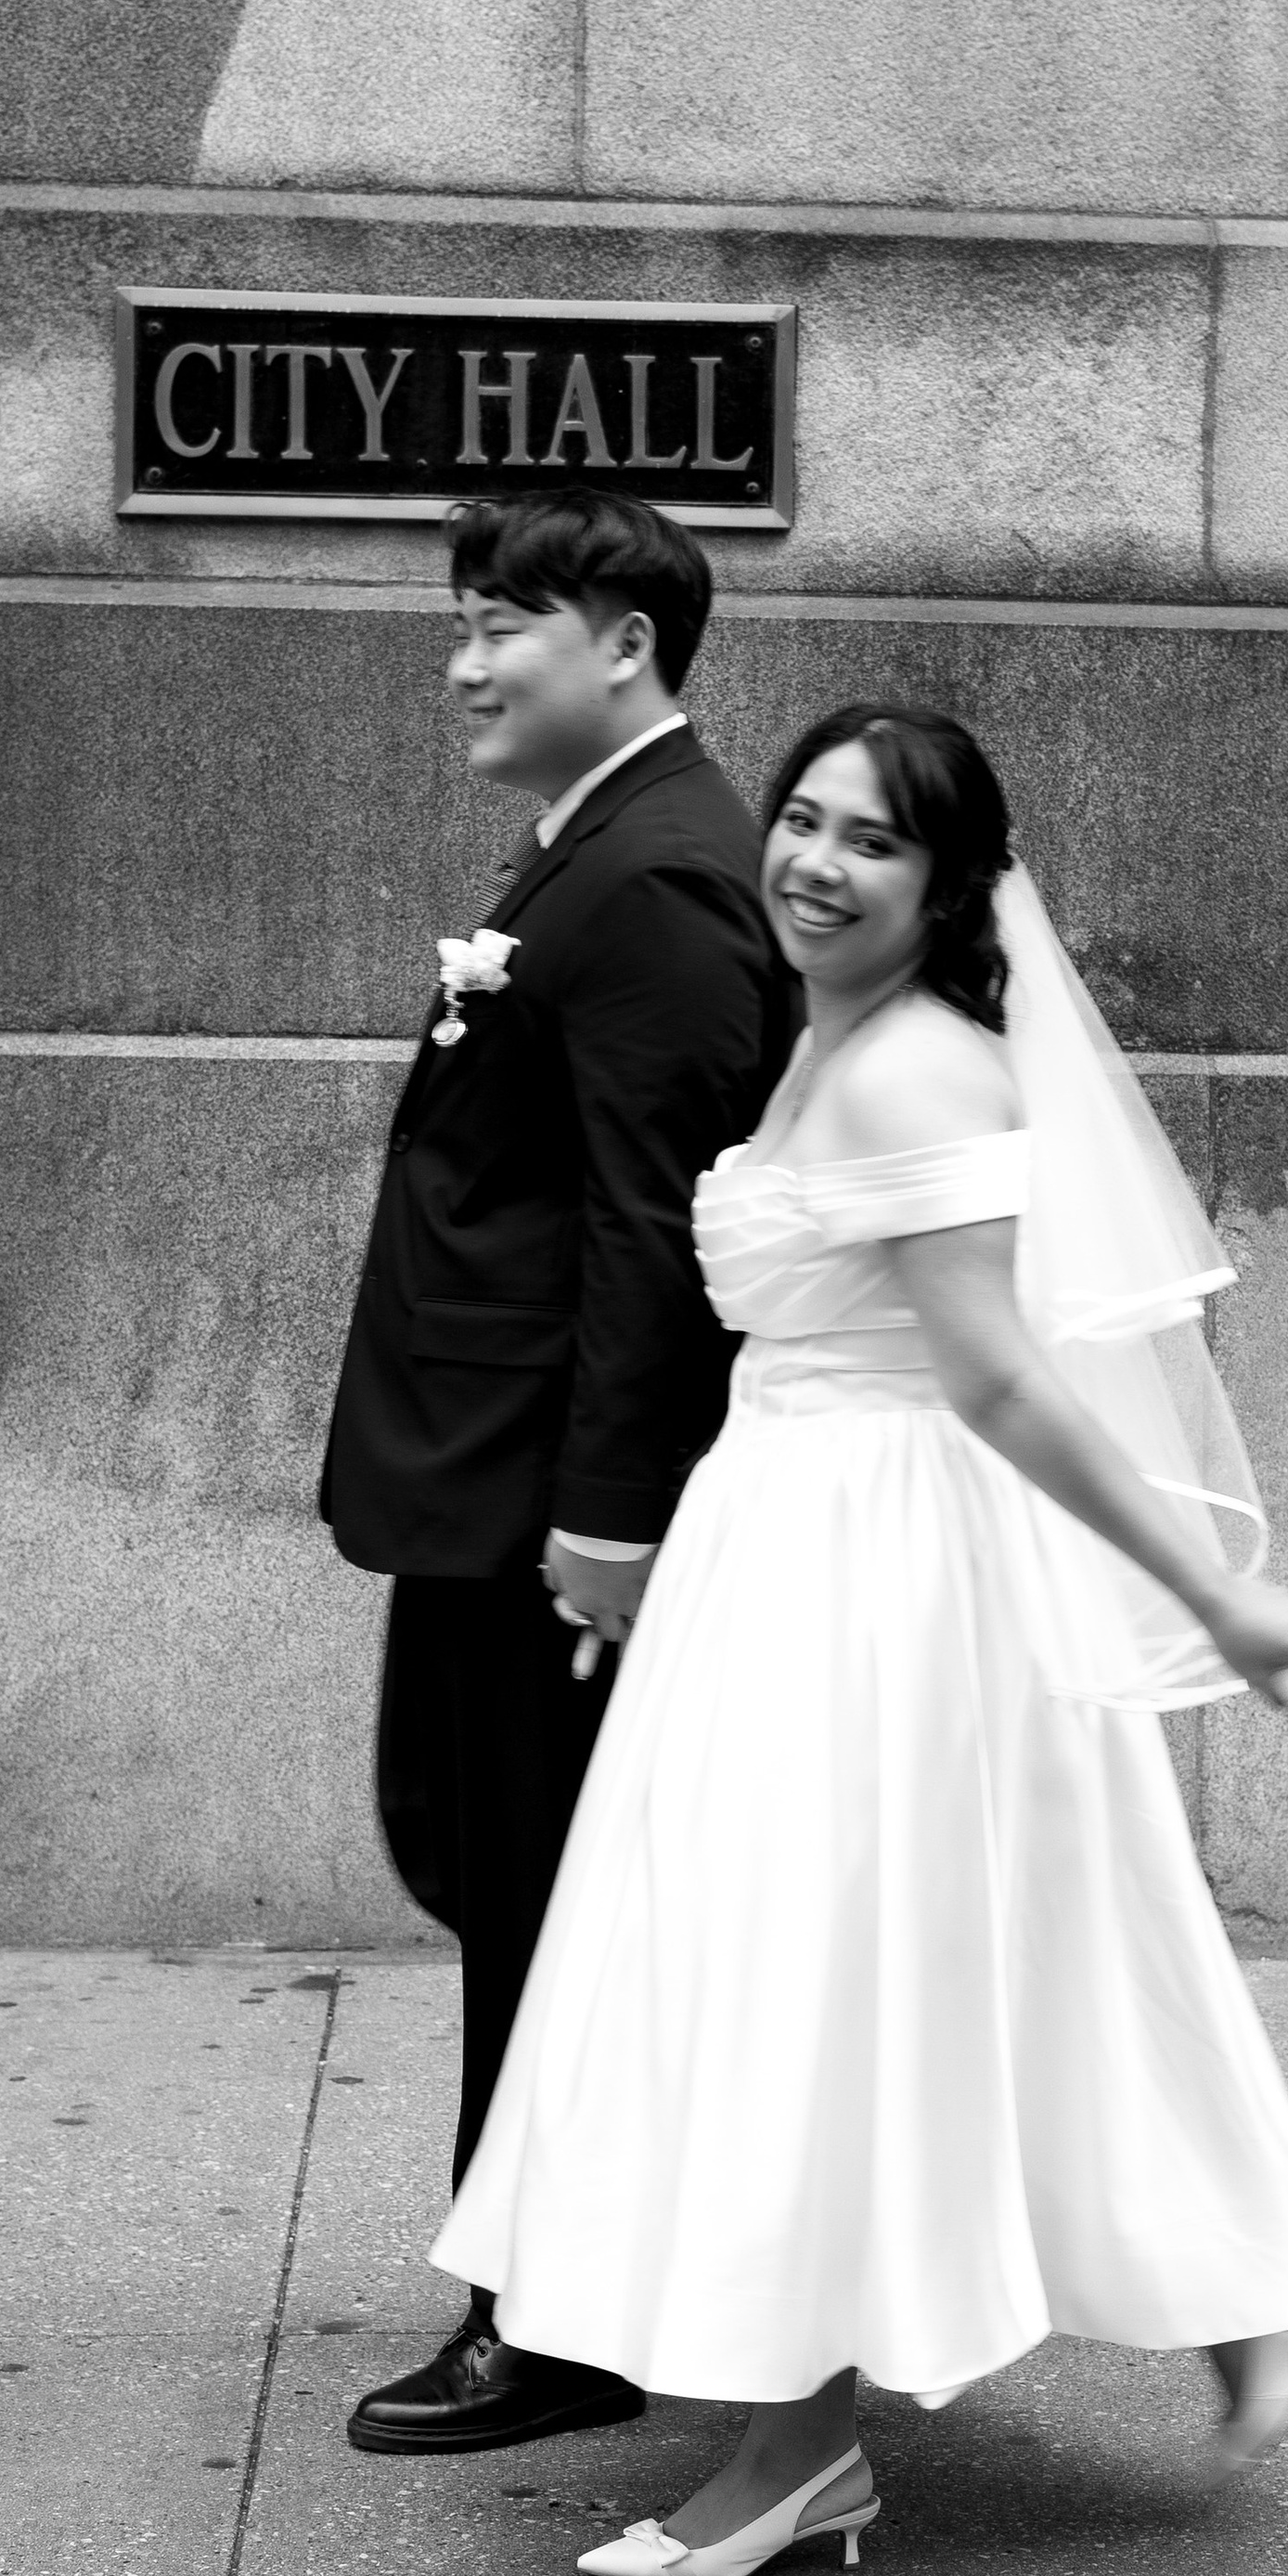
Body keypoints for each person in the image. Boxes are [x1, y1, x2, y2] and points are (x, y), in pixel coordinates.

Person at [434, 704, 1288, 2576]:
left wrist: (1213, 1593)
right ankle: (1195, 2288)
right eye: (800, 820)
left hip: (879, 1581)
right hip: (783, 1535)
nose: (812, 861)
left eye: (870, 842)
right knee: (928, 1962)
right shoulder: (828, 1043)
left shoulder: (911, 1072)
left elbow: (1005, 1382)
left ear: (946, 891)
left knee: (822, 1976)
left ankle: (795, 2450)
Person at [321, 486, 789, 2458]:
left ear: (623, 638)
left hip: (545, 1511)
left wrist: (609, 1521)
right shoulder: (591, 848)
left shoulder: (662, 878)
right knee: (479, 1857)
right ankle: (571, 2257)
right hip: (482, 1479)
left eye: (500, 618)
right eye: (462, 617)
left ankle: (557, 2318)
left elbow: (649, 1234)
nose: (462, 658)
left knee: (539, 1895)